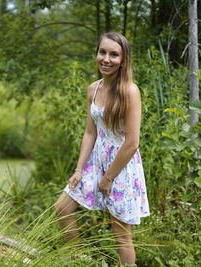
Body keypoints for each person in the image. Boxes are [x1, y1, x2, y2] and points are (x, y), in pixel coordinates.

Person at [53, 32, 150, 265]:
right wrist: (78, 170)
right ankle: (78, 261)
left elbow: (132, 143)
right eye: (102, 52)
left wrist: (108, 178)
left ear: (123, 59)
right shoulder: (93, 89)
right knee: (62, 209)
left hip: (121, 165)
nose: (106, 59)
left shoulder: (130, 91)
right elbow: (90, 132)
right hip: (96, 160)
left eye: (114, 54)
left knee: (121, 234)